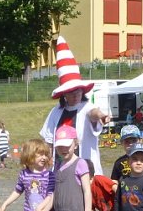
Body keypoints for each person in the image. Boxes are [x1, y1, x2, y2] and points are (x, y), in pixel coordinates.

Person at [39, 36, 111, 174]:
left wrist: (101, 115)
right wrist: (46, 163)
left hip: (85, 170)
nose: (75, 94)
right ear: (64, 94)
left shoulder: (87, 106)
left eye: (78, 90)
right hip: (60, 169)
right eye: (71, 92)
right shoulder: (56, 112)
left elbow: (93, 113)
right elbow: (49, 140)